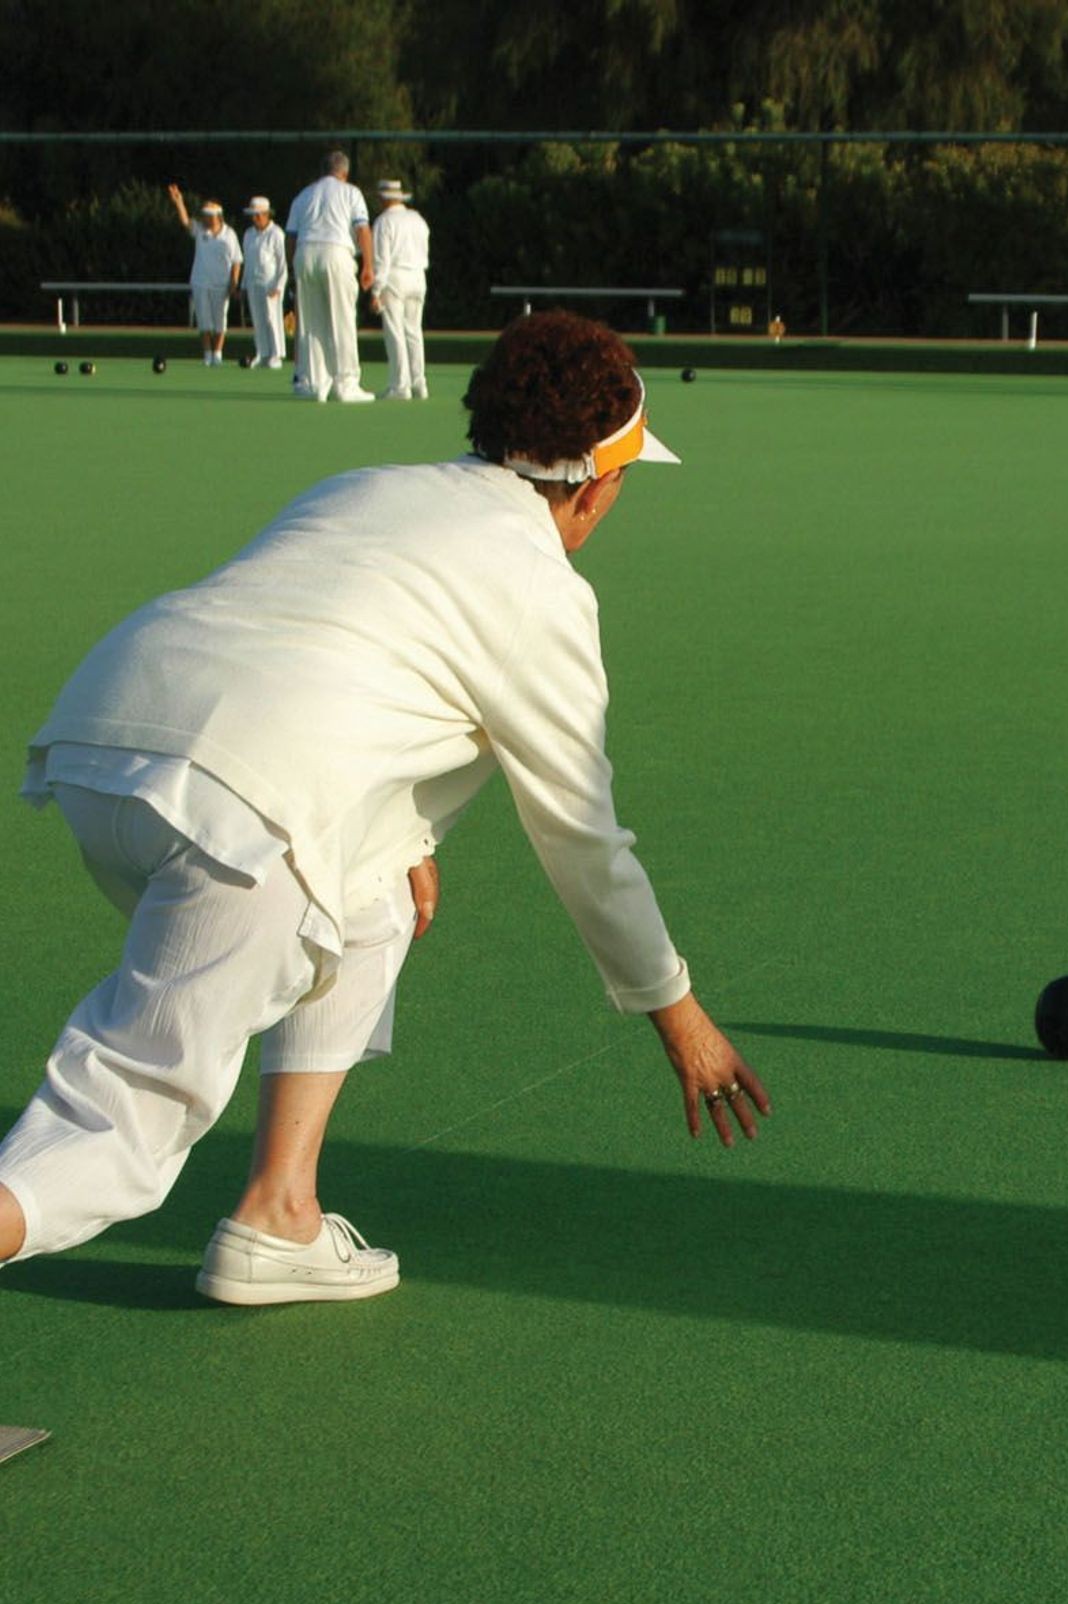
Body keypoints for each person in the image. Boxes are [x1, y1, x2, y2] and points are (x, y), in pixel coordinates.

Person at [0, 309, 771, 1304]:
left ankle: (279, 1213)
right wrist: (680, 1016)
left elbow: (327, 650)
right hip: (249, 817)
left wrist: (391, 829)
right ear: (593, 483)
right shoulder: (541, 587)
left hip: (109, 747)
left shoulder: (367, 486)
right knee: (124, 1117)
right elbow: (582, 837)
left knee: (374, 897)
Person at [284, 150, 376, 403]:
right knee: (342, 318)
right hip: (336, 253)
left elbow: (290, 236)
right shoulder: (351, 192)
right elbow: (363, 230)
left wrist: (293, 268)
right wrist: (369, 265)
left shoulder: (303, 195)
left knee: (311, 322)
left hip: (305, 253)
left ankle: (314, 383)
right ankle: (346, 384)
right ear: (344, 173)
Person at [167, 185, 241, 367]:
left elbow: (236, 261)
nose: (205, 218)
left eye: (208, 214)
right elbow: (185, 222)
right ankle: (207, 354)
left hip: (221, 284)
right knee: (204, 320)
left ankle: (218, 353)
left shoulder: (229, 234)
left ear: (217, 215)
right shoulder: (200, 230)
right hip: (200, 282)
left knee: (220, 321)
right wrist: (179, 202)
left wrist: (234, 283)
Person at [370, 179, 431, 400]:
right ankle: (419, 383)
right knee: (414, 332)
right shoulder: (418, 219)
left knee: (395, 332)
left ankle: (399, 386)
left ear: (383, 199)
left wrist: (376, 291)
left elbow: (382, 260)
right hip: (418, 277)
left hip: (395, 278)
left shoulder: (383, 222)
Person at [240, 195, 288, 369]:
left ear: (267, 214)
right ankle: (262, 353)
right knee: (258, 319)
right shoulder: (248, 234)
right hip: (253, 283)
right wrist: (243, 285)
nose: (254, 218)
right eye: (253, 215)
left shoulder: (276, 234)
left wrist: (279, 286)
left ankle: (277, 354)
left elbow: (283, 264)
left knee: (272, 318)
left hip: (270, 284)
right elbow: (247, 260)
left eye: (258, 215)